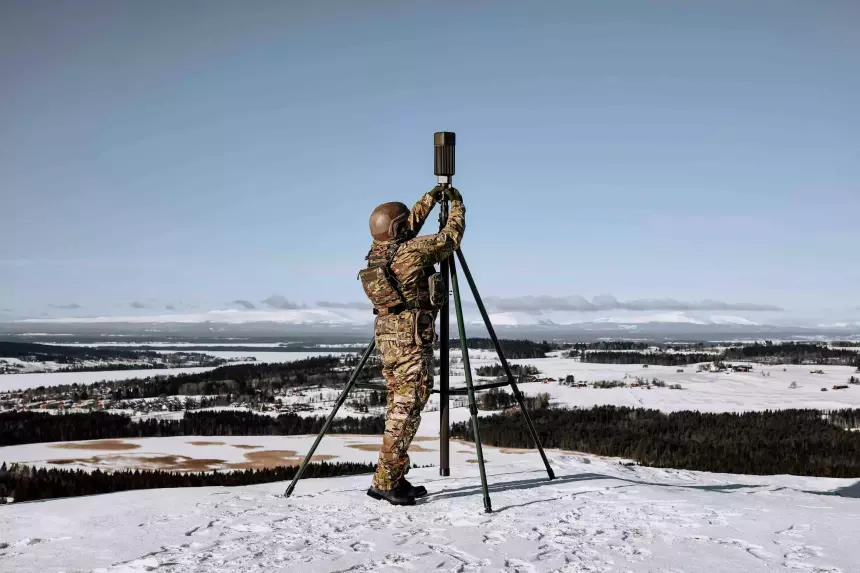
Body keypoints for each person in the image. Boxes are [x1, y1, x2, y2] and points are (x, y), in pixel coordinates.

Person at [358, 184, 466, 506]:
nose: (410, 225)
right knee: (407, 410)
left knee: (398, 407)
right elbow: (449, 238)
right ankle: (386, 482)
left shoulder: (379, 251)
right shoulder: (413, 252)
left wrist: (431, 199)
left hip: (388, 336)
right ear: (398, 228)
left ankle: (392, 476)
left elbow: (408, 226)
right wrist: (456, 204)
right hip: (410, 339)